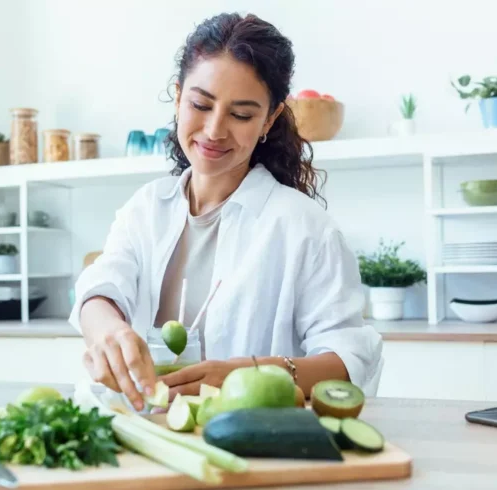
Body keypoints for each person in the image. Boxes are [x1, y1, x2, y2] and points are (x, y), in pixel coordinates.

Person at [69, 12, 383, 412]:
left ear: (269, 119)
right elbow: (101, 289)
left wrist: (248, 373)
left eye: (241, 115)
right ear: (178, 96)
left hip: (251, 444)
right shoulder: (146, 209)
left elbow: (349, 359)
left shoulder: (306, 229)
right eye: (201, 104)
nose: (215, 130)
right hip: (145, 432)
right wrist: (108, 330)